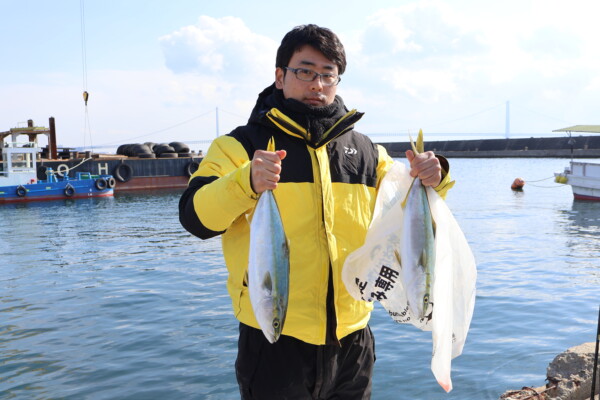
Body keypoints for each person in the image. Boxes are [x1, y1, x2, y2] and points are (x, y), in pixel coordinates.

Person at [179, 24, 453, 400]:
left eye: (328, 75)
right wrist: (246, 182)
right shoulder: (239, 145)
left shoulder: (367, 152)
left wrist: (435, 174)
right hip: (274, 340)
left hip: (353, 340)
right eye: (305, 72)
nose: (317, 84)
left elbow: (415, 205)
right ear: (280, 75)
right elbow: (195, 218)